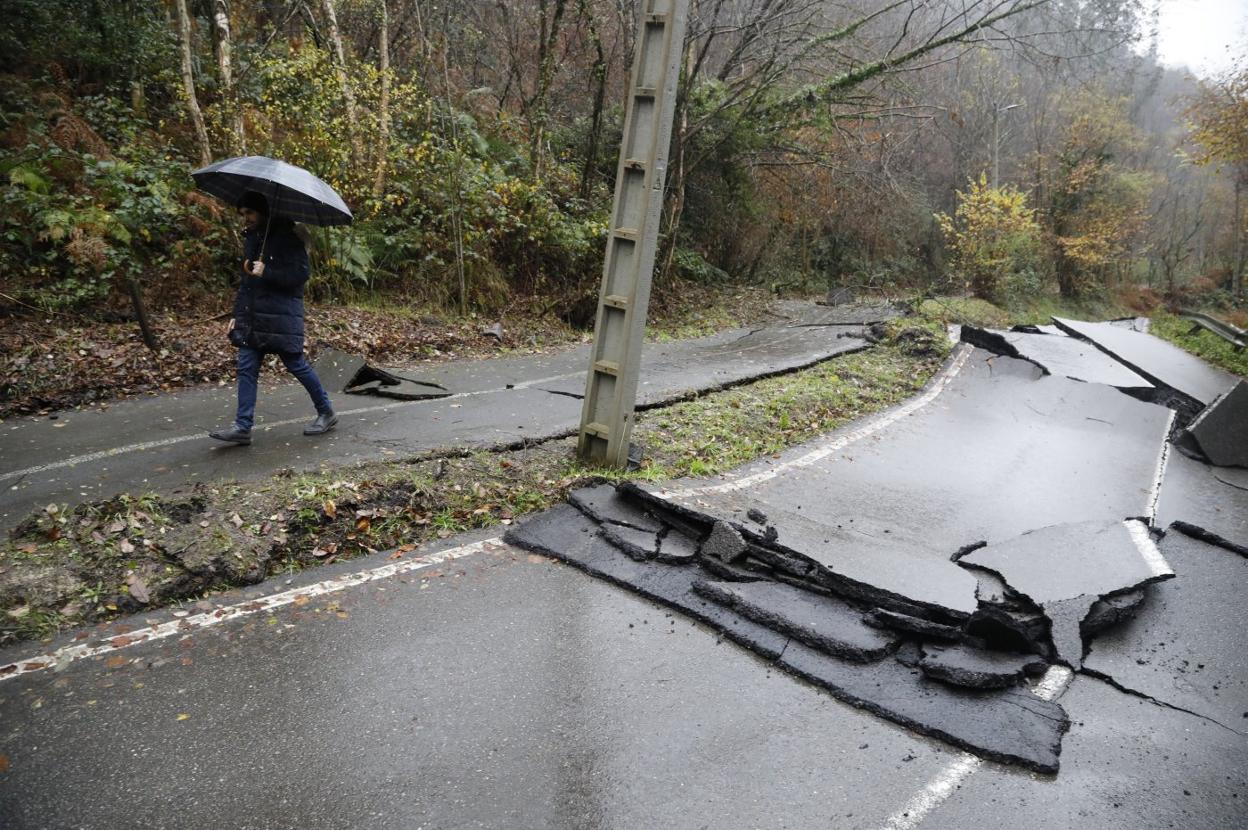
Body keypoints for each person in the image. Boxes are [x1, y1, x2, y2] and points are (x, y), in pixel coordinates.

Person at [209, 191, 337, 445]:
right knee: (247, 366)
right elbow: (246, 282)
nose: (246, 218)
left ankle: (326, 412)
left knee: (295, 364)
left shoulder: (289, 238)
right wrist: (236, 314)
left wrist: (268, 271)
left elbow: (299, 276)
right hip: (254, 314)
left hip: (281, 314)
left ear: (263, 212)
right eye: (243, 214)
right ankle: (242, 427)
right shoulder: (254, 238)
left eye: (250, 213)